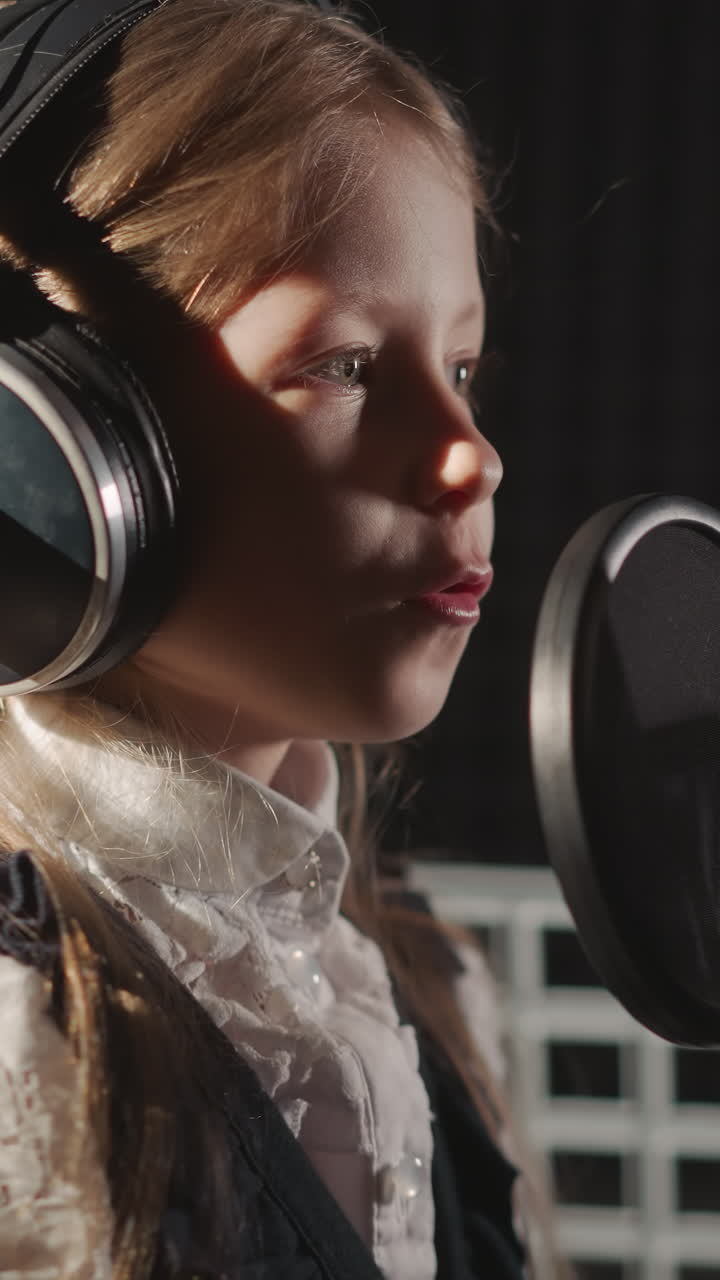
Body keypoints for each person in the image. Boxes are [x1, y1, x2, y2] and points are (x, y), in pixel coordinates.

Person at [0, 1, 541, 1275]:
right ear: (54, 438)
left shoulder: (423, 988)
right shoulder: (25, 1028)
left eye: (461, 366)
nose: (473, 454)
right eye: (348, 366)